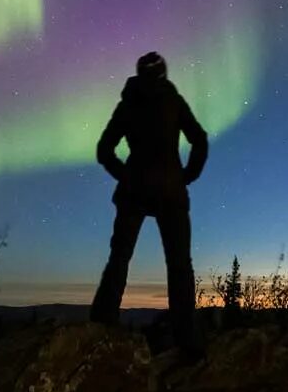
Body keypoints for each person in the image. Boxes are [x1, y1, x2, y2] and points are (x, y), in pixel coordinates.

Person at [88, 50, 208, 354]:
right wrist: (187, 176)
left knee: (119, 258)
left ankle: (100, 327)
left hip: (134, 189)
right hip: (171, 189)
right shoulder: (173, 101)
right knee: (179, 265)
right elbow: (199, 140)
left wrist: (125, 175)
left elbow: (104, 150)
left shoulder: (127, 104)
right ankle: (188, 342)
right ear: (163, 72)